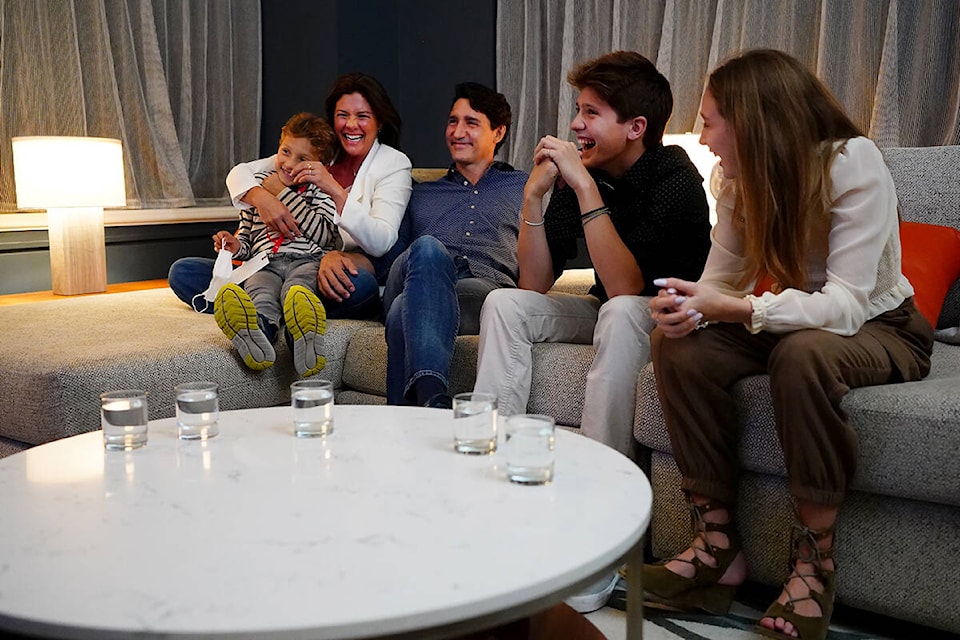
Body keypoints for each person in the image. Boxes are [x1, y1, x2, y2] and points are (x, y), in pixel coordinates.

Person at [644, 49, 933, 640]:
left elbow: (847, 303)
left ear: (753, 119)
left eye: (711, 120)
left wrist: (744, 307)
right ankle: (717, 547)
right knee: (679, 347)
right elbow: (720, 282)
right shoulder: (737, 177)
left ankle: (814, 563)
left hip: (881, 326)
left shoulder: (853, 164)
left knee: (799, 355)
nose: (704, 136)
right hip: (797, 317)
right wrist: (688, 310)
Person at [474, 50, 711, 460]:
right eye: (578, 109)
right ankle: (490, 450)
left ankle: (602, 472)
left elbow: (625, 288)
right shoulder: (588, 170)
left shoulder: (674, 174)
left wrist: (584, 186)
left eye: (591, 112)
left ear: (636, 127)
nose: (575, 124)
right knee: (504, 303)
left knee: (618, 313)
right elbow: (534, 283)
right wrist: (533, 196)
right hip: (610, 308)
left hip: (678, 316)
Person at [169, 72, 412, 320]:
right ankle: (277, 305)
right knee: (184, 272)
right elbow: (241, 173)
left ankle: (263, 306)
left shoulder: (393, 163)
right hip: (270, 265)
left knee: (360, 286)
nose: (351, 125)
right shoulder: (315, 148)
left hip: (320, 269)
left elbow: (381, 242)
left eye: (362, 116)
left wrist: (332, 189)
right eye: (342, 115)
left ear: (379, 122)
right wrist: (263, 199)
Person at [383, 82, 527, 408]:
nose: (457, 131)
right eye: (452, 121)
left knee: (398, 312)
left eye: (471, 123)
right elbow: (392, 261)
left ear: (498, 132)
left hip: (480, 294)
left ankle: (409, 418)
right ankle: (433, 397)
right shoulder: (419, 192)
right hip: (413, 273)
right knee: (429, 250)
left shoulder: (524, 186)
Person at [212, 112, 338, 377]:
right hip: (265, 264)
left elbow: (325, 235)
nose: (289, 164)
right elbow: (247, 240)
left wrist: (283, 195)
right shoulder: (255, 191)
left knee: (297, 291)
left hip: (306, 261)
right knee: (261, 293)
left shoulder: (320, 192)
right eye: (285, 152)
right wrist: (235, 246)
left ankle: (304, 336)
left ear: (320, 165)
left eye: (303, 159)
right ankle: (257, 333)